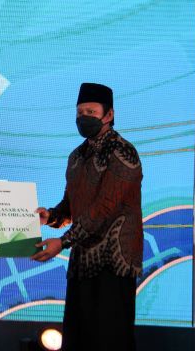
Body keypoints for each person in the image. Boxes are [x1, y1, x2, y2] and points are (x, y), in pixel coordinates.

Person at [31, 83, 143, 351]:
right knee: (78, 339)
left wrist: (63, 242)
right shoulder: (77, 156)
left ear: (109, 115)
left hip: (114, 262)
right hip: (83, 261)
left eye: (91, 112)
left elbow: (104, 208)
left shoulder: (123, 152)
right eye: (80, 112)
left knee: (109, 340)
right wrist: (51, 216)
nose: (84, 117)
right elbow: (71, 205)